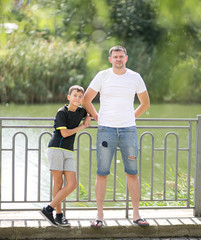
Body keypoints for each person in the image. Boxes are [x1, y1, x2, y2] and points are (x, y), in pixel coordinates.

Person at [83, 46, 150, 227]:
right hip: (106, 130)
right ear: (110, 59)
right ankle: (99, 216)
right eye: (115, 57)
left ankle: (136, 215)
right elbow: (86, 99)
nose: (119, 59)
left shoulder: (135, 77)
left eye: (121, 56)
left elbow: (145, 104)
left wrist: (131, 116)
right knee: (102, 172)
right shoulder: (102, 76)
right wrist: (96, 117)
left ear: (126, 58)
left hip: (129, 130)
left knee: (132, 173)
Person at [40, 85, 91, 227]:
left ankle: (48, 209)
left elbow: (92, 112)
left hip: (68, 151)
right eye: (75, 95)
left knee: (72, 184)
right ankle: (59, 215)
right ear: (69, 97)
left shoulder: (81, 111)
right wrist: (82, 126)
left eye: (80, 97)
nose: (77, 98)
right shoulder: (61, 112)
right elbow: (65, 133)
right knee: (58, 183)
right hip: (56, 148)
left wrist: (88, 116)